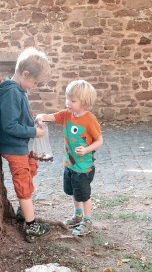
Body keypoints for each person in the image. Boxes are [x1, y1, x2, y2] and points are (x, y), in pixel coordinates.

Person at [0, 47, 51, 242]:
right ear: (25, 74)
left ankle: (23, 209)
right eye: (35, 82)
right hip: (14, 147)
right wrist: (33, 132)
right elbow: (10, 125)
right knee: (24, 183)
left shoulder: (20, 89)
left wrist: (33, 122)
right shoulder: (11, 92)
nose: (34, 86)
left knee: (32, 169)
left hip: (23, 146)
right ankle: (30, 225)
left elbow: (21, 118)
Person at [36, 80, 103, 236]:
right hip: (70, 165)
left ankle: (87, 221)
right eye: (67, 99)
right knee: (73, 192)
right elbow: (51, 117)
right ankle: (77, 215)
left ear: (84, 103)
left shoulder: (89, 120)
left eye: (73, 101)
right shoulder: (66, 115)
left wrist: (86, 149)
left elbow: (99, 140)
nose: (68, 103)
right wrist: (41, 117)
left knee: (84, 195)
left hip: (83, 168)